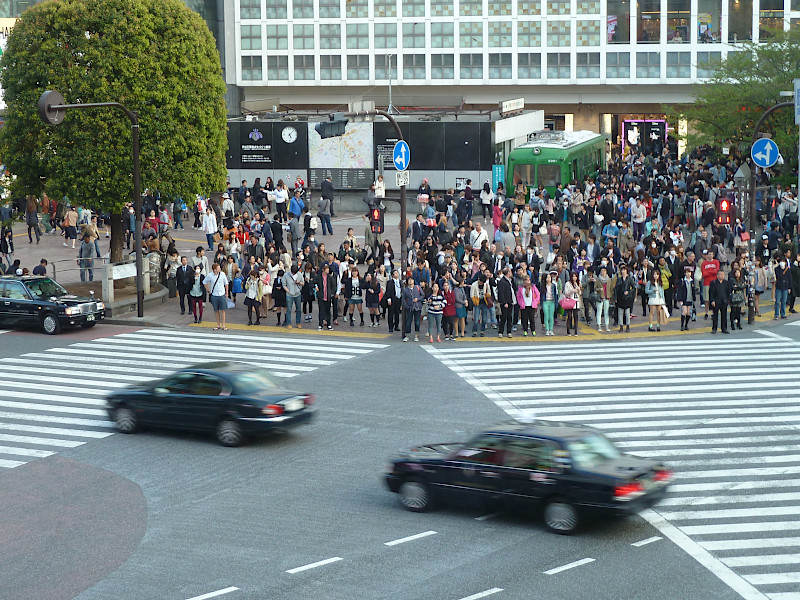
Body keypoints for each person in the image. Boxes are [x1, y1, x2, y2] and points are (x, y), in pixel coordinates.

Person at [204, 262, 230, 331]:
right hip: (214, 295)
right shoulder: (210, 275)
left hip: (222, 294)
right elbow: (204, 282)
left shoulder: (222, 274)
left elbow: (226, 283)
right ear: (215, 269)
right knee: (216, 310)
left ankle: (223, 324)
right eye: (218, 268)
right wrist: (208, 290)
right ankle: (218, 324)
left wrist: (227, 293)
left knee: (223, 310)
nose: (220, 269)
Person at [615, 264, 636, 332]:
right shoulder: (619, 279)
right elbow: (616, 289)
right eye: (622, 270)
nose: (623, 271)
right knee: (620, 312)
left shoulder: (630, 278)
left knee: (627, 313)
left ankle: (627, 326)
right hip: (620, 297)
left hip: (627, 298)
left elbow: (634, 288)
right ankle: (621, 326)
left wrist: (629, 292)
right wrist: (615, 298)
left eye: (624, 270)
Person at [315, 263, 337, 330]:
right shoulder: (318, 277)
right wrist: (315, 287)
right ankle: (320, 324)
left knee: (328, 311)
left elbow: (334, 286)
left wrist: (332, 293)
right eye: (326, 269)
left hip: (328, 296)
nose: (328, 270)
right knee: (321, 310)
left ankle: (329, 324)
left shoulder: (330, 277)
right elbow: (313, 283)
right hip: (321, 296)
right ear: (323, 270)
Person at [402, 276, 423, 342]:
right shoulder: (405, 290)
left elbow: (422, 295)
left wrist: (418, 299)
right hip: (409, 308)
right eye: (409, 280)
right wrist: (406, 306)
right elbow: (403, 299)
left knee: (417, 322)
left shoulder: (417, 287)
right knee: (408, 322)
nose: (410, 281)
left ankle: (416, 335)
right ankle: (407, 335)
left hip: (417, 307)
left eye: (412, 280)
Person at [709, 269, 730, 333]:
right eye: (721, 274)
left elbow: (728, 292)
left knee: (724, 315)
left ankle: (724, 328)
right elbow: (711, 293)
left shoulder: (726, 283)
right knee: (715, 316)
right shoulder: (713, 283)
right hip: (716, 301)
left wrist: (727, 300)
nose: (722, 276)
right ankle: (714, 328)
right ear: (717, 275)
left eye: (723, 274)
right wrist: (712, 300)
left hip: (724, 301)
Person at [675, 266, 696, 331]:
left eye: (689, 272)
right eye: (687, 272)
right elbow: (679, 290)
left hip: (690, 298)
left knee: (688, 313)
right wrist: (680, 299)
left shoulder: (692, 281)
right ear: (685, 273)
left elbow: (693, 290)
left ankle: (686, 325)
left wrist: (694, 298)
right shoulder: (682, 281)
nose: (688, 274)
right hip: (684, 298)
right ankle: (682, 325)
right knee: (684, 312)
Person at [539, 271, 558, 336]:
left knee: (551, 316)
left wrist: (556, 303)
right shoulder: (542, 286)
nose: (548, 279)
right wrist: (540, 304)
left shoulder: (553, 285)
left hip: (552, 301)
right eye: (547, 278)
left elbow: (555, 295)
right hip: (545, 301)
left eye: (549, 277)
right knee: (546, 316)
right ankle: (547, 329)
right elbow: (541, 295)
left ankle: (551, 329)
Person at [563, 271, 582, 336]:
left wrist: (578, 290)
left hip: (576, 301)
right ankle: (568, 331)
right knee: (569, 316)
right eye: (573, 276)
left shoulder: (578, 283)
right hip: (570, 301)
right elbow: (566, 293)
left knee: (576, 316)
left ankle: (576, 331)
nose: (574, 278)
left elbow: (580, 293)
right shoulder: (567, 284)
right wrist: (572, 291)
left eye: (575, 276)